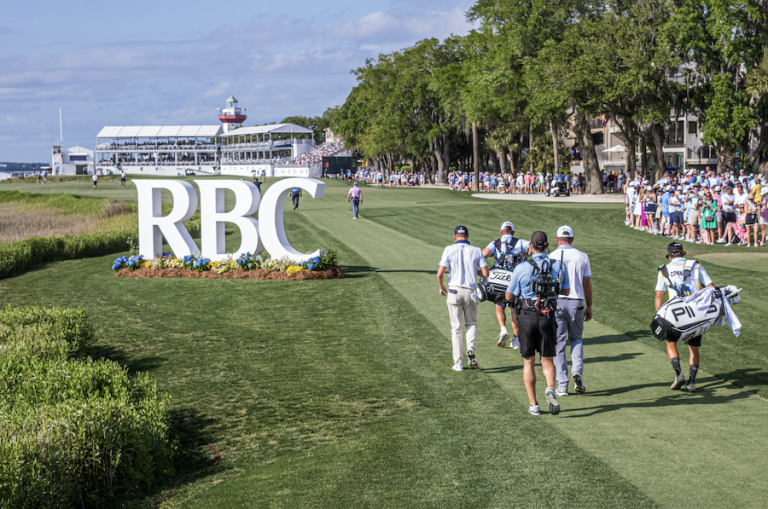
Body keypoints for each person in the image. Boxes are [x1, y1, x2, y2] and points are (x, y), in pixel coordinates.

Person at [505, 231, 570, 416]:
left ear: (530, 247)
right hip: (548, 316)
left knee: (528, 361)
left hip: (526, 317)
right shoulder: (558, 265)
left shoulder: (521, 267)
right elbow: (565, 289)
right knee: (547, 359)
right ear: (547, 246)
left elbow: (509, 295)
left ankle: (534, 405)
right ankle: (550, 387)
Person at [655, 242, 715, 392]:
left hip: (675, 316)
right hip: (695, 314)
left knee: (671, 343)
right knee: (693, 348)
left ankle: (678, 374)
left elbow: (659, 295)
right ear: (682, 253)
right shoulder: (696, 266)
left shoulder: (664, 270)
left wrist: (659, 317)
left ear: (669, 255)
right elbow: (711, 288)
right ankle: (692, 383)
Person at [438, 226, 490, 371]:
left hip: (454, 290)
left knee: (456, 328)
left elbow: (440, 272)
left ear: (455, 236)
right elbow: (485, 273)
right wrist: (476, 271)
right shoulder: (477, 250)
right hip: (471, 291)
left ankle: (458, 363)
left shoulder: (449, 249)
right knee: (471, 323)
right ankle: (471, 348)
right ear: (467, 236)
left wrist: (441, 287)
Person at [551, 225, 592, 397]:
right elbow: (587, 285)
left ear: (557, 238)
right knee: (576, 339)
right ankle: (577, 372)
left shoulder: (550, 256)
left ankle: (562, 384)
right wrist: (589, 305)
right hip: (577, 302)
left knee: (559, 343)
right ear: (572, 239)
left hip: (557, 302)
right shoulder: (582, 256)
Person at [481, 222, 530, 349]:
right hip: (514, 280)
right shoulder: (519, 242)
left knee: (499, 306)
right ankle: (515, 340)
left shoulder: (495, 243)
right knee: (514, 310)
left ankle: (503, 329)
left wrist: (493, 255)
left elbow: (483, 254)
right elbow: (532, 246)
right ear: (512, 232)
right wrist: (525, 255)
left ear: (501, 232)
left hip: (499, 281)